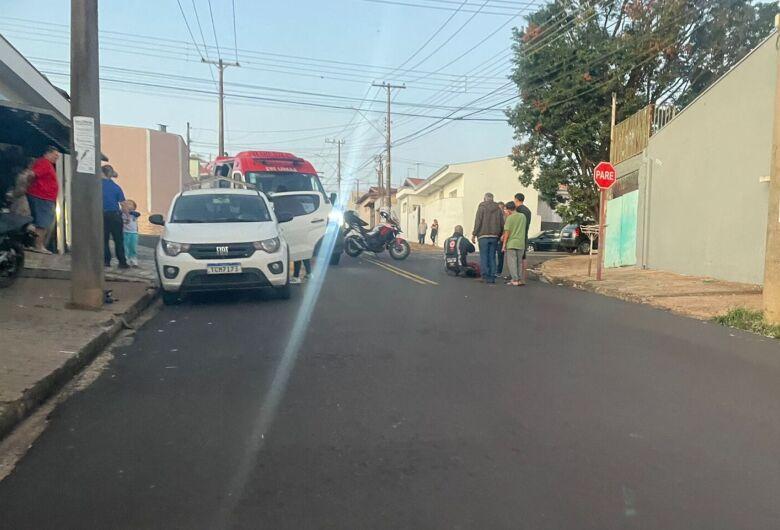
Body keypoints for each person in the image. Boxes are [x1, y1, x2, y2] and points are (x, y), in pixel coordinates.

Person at [26, 146, 60, 254]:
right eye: (55, 155)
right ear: (47, 153)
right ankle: (38, 246)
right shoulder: (44, 163)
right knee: (43, 223)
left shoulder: (45, 163)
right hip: (42, 197)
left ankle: (35, 244)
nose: (57, 158)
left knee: (39, 222)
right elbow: (32, 174)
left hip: (42, 196)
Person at [471, 192, 504, 284]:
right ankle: (492, 276)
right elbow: (502, 223)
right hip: (494, 236)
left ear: (484, 198)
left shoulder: (481, 207)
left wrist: (474, 234)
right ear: (492, 199)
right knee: (492, 256)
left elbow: (478, 222)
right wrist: (501, 234)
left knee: (484, 256)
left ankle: (484, 276)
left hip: (483, 235)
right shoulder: (498, 209)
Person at [101, 165, 129, 269]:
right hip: (115, 216)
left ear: (102, 173)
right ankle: (122, 262)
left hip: (102, 215)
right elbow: (123, 204)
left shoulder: (97, 185)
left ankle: (106, 261)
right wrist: (128, 216)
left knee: (104, 239)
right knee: (118, 239)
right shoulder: (116, 187)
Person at [502, 201, 528, 286]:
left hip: (512, 243)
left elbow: (507, 233)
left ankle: (515, 279)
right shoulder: (523, 216)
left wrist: (504, 245)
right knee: (519, 262)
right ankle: (519, 279)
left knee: (512, 262)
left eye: (506, 209)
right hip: (521, 243)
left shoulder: (509, 218)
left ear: (509, 209)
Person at [514, 193, 533, 282]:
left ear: (516, 199)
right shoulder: (528, 211)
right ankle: (523, 277)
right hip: (525, 234)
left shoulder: (517, 210)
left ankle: (515, 276)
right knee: (523, 257)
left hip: (517, 235)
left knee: (515, 257)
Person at [122, 199, 141, 267]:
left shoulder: (134, 214)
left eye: (130, 204)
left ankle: (133, 259)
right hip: (125, 232)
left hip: (133, 233)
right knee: (125, 246)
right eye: (126, 204)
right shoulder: (122, 213)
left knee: (133, 246)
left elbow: (138, 214)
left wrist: (129, 212)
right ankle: (126, 258)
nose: (128, 205)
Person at [495, 202, 505, 277]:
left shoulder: (506, 217)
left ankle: (499, 271)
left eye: (501, 208)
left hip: (501, 239)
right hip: (494, 238)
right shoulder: (495, 216)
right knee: (492, 255)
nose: (499, 209)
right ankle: (493, 270)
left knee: (500, 256)